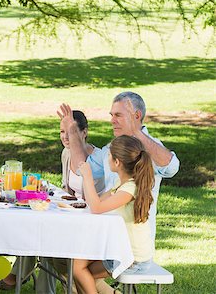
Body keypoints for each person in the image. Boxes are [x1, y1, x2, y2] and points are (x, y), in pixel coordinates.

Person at [0, 110, 110, 293]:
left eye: (71, 131)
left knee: (45, 238)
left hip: (90, 220)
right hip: (72, 213)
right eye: (62, 132)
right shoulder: (67, 153)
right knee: (40, 231)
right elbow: (68, 190)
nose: (65, 137)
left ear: (84, 132)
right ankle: (30, 282)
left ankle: (18, 275)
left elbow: (95, 199)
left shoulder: (97, 159)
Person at [58, 91, 180, 241]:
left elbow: (172, 167)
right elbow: (81, 167)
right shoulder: (111, 148)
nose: (112, 121)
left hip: (133, 240)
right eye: (111, 115)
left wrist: (136, 131)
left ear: (136, 116)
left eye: (118, 115)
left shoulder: (150, 147)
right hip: (108, 233)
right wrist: (72, 131)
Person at [73, 135, 155, 293]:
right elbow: (95, 202)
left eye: (109, 155)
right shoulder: (122, 184)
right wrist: (86, 180)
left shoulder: (129, 189)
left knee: (80, 270)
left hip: (133, 258)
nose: (107, 158)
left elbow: (96, 208)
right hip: (120, 248)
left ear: (117, 162)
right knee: (77, 265)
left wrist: (88, 177)